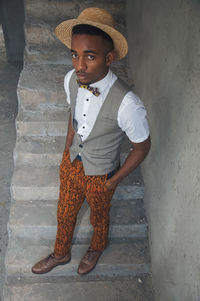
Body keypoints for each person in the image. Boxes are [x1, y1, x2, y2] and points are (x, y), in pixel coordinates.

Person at [32, 7, 150, 276]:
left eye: (90, 56)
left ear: (109, 58)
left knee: (99, 217)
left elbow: (142, 147)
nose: (79, 65)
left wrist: (113, 180)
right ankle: (61, 254)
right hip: (73, 163)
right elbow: (73, 114)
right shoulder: (71, 80)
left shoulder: (128, 104)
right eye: (75, 54)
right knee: (64, 212)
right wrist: (66, 150)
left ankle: (96, 247)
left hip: (102, 174)